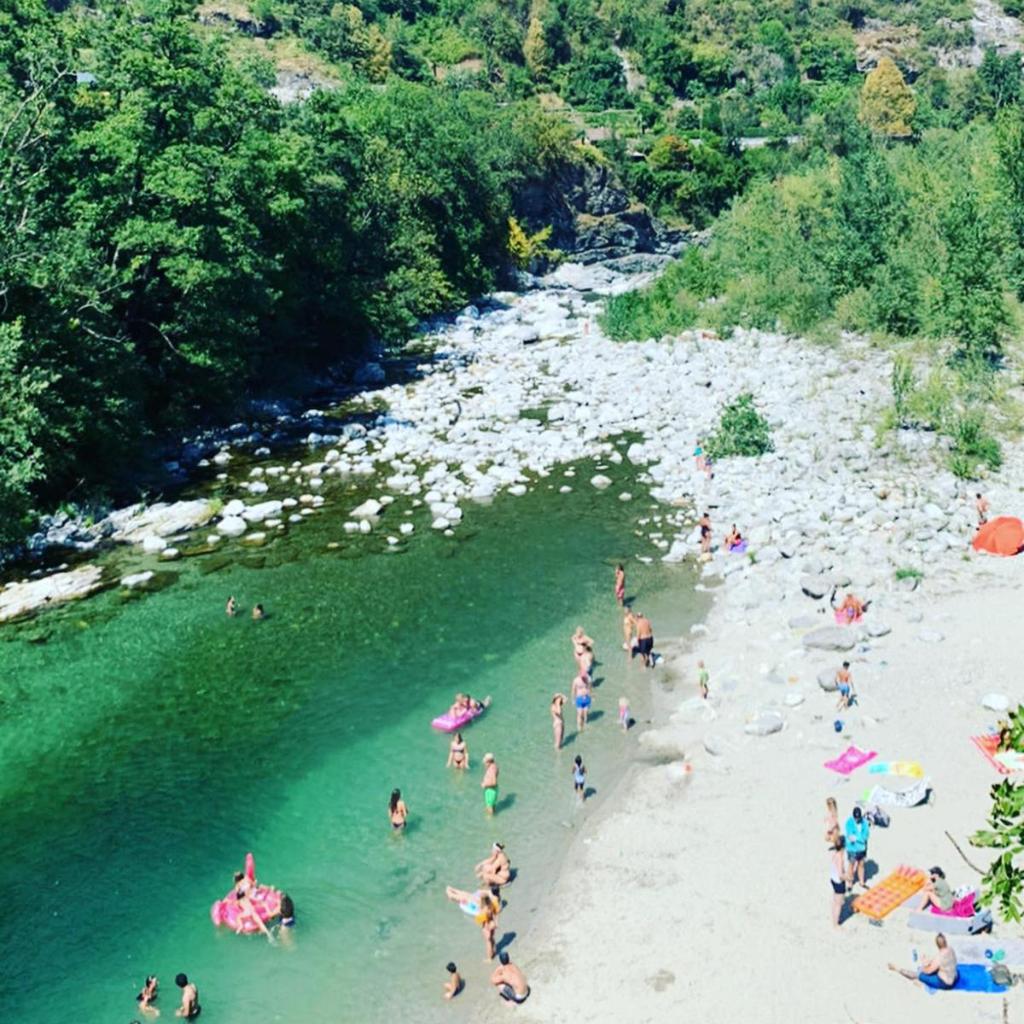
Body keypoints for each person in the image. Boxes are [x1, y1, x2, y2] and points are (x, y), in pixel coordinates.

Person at [889, 934, 959, 990]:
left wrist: (923, 964)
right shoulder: (950, 949)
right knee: (941, 968)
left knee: (918, 974)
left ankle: (897, 969)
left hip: (945, 984)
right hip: (955, 978)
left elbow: (927, 971)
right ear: (945, 942)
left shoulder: (939, 957)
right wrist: (930, 961)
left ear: (937, 944)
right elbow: (943, 961)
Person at [844, 806, 870, 888]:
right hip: (852, 849)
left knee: (861, 864)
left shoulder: (865, 823)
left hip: (862, 848)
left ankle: (862, 882)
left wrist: (857, 838)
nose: (857, 820)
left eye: (858, 818)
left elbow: (865, 836)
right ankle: (849, 883)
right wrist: (859, 838)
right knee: (851, 865)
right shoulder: (849, 823)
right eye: (855, 818)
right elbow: (850, 836)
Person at [829, 828, 847, 929]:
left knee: (835, 900)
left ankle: (833, 919)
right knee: (838, 905)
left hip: (833, 879)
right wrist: (848, 878)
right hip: (838, 881)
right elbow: (841, 875)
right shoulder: (840, 857)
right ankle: (836, 924)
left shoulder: (834, 853)